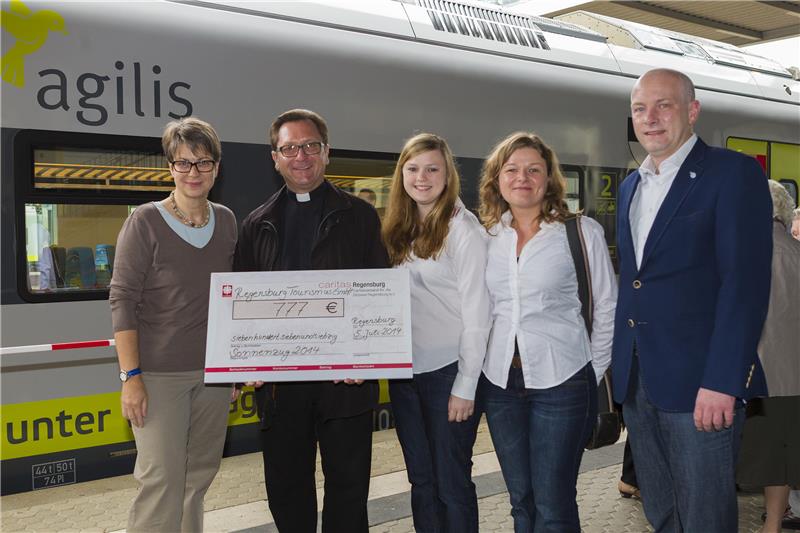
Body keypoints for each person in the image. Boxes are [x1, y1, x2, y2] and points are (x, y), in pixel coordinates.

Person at [611, 68, 773, 532]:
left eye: (664, 105)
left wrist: (724, 380)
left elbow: (744, 286)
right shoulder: (631, 188)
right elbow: (635, 285)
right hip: (640, 382)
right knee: (661, 511)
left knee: (704, 517)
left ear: (692, 111)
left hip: (703, 384)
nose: (651, 118)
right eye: (641, 108)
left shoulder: (732, 173)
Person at [234, 109, 389, 533]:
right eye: (289, 148)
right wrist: (244, 363)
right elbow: (242, 310)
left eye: (309, 146)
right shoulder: (255, 224)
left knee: (349, 489)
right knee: (286, 491)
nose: (299, 156)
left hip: (346, 384)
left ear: (326, 152)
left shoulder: (360, 216)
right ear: (275, 158)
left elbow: (379, 296)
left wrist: (367, 358)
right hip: (281, 390)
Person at [478, 132, 617, 532]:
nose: (523, 177)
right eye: (512, 169)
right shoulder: (487, 237)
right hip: (501, 382)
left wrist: (592, 372)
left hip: (564, 380)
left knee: (554, 503)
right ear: (497, 179)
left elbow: (606, 305)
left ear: (549, 179)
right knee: (521, 500)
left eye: (533, 169)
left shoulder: (579, 232)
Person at [109, 117, 238, 532]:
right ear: (170, 168)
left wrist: (233, 367)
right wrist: (131, 376)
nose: (193, 173)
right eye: (183, 163)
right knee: (161, 479)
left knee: (198, 477)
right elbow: (123, 300)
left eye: (202, 163)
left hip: (214, 376)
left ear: (217, 168)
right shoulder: (144, 222)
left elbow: (232, 299)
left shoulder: (228, 222)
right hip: (158, 376)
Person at [382, 133, 490, 533]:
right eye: (412, 169)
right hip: (406, 372)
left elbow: (480, 313)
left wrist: (466, 384)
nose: (421, 177)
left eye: (432, 169)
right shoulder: (399, 227)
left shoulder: (464, 230)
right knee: (421, 481)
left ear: (448, 176)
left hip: (448, 372)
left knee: (451, 481)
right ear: (401, 175)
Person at [737, 180, 800, 533]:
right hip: (794, 376)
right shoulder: (796, 251)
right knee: (782, 456)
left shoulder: (745, 256)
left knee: (759, 455)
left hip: (754, 376)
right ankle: (773, 522)